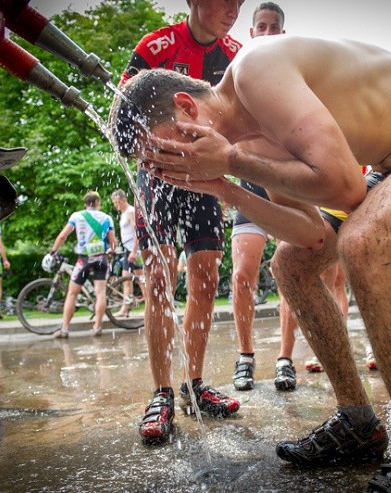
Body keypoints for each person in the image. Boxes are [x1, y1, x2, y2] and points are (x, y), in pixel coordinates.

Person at [111, 34, 391, 492]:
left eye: (167, 150)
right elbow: (311, 235)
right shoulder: (248, 144)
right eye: (159, 163)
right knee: (291, 266)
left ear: (186, 106)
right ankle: (358, 422)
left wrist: (231, 160)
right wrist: (225, 187)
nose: (174, 166)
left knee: (365, 245)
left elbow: (344, 188)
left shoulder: (256, 69)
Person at [118, 0, 244, 445]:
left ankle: (193, 384)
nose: (233, 8)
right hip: (157, 170)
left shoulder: (236, 54)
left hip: (207, 174)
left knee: (206, 277)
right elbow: (124, 115)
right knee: (158, 276)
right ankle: (161, 392)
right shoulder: (156, 46)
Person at [229, 2, 295, 392]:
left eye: (274, 27)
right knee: (241, 275)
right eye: (261, 27)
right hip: (251, 186)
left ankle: (285, 358)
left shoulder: (294, 73)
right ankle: (246, 356)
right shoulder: (236, 73)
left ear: (281, 34)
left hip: (288, 188)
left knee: (288, 273)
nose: (267, 33)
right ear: (252, 33)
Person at [47, 190, 116, 339]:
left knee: (72, 293)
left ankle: (65, 329)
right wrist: (111, 250)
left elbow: (63, 236)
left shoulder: (77, 216)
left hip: (84, 259)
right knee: (100, 293)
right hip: (101, 259)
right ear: (98, 203)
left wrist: (53, 251)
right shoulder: (107, 218)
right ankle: (97, 327)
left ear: (86, 204)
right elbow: (113, 243)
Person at [110, 189, 144, 317]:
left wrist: (135, 251)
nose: (115, 205)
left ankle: (149, 306)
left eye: (117, 202)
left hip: (134, 250)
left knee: (141, 280)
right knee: (126, 279)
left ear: (124, 200)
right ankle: (125, 308)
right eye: (114, 202)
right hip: (128, 249)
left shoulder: (130, 212)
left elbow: (137, 232)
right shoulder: (124, 213)